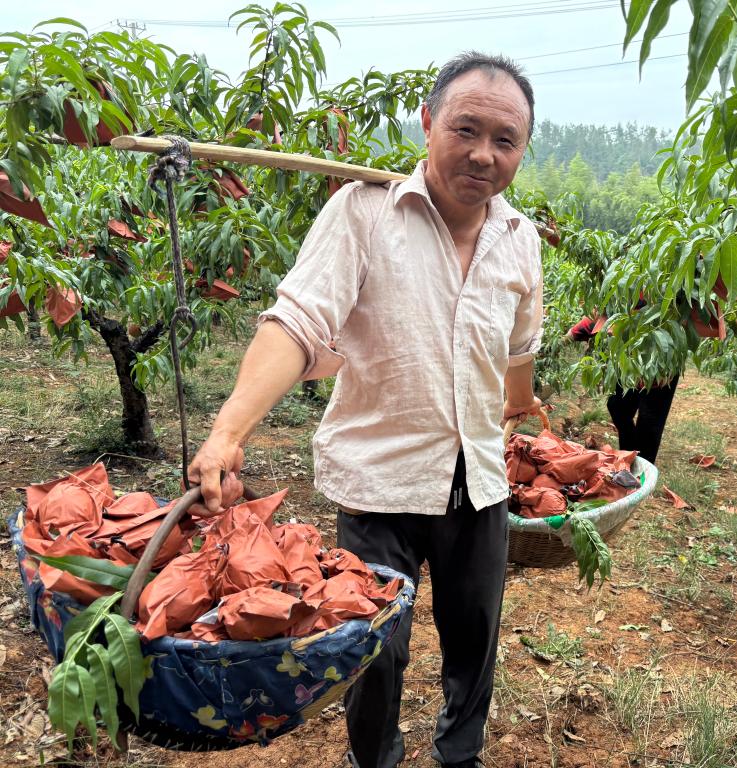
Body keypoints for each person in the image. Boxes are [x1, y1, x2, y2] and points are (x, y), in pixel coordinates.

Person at [187, 52, 544, 768]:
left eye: (505, 140)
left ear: (522, 150)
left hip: (478, 481)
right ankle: (373, 757)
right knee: (373, 650)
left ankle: (460, 753)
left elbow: (519, 346)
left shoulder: (520, 240)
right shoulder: (364, 212)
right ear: (428, 122)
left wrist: (519, 405)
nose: (483, 154)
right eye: (465, 129)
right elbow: (297, 323)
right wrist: (228, 431)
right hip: (379, 483)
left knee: (475, 637)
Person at [565, 305, 677, 464]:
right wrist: (570, 335)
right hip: (629, 358)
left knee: (649, 421)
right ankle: (628, 454)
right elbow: (602, 313)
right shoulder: (622, 299)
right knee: (617, 406)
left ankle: (642, 468)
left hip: (659, 359)